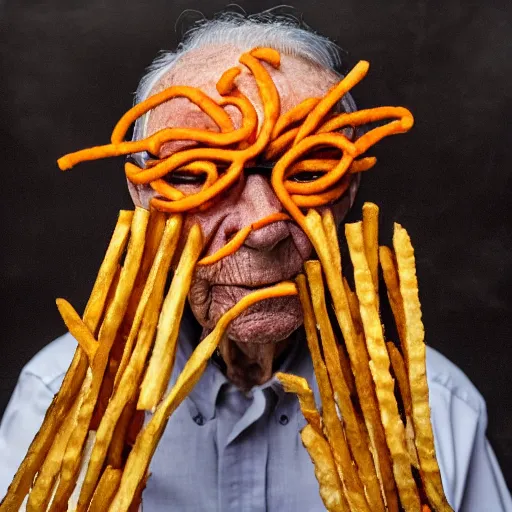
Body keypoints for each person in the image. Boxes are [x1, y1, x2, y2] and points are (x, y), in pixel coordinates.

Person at [1, 13, 511, 511]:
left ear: (347, 192)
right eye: (202, 173)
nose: (264, 229)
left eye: (309, 169)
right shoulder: (58, 398)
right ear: (143, 194)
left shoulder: (435, 409)